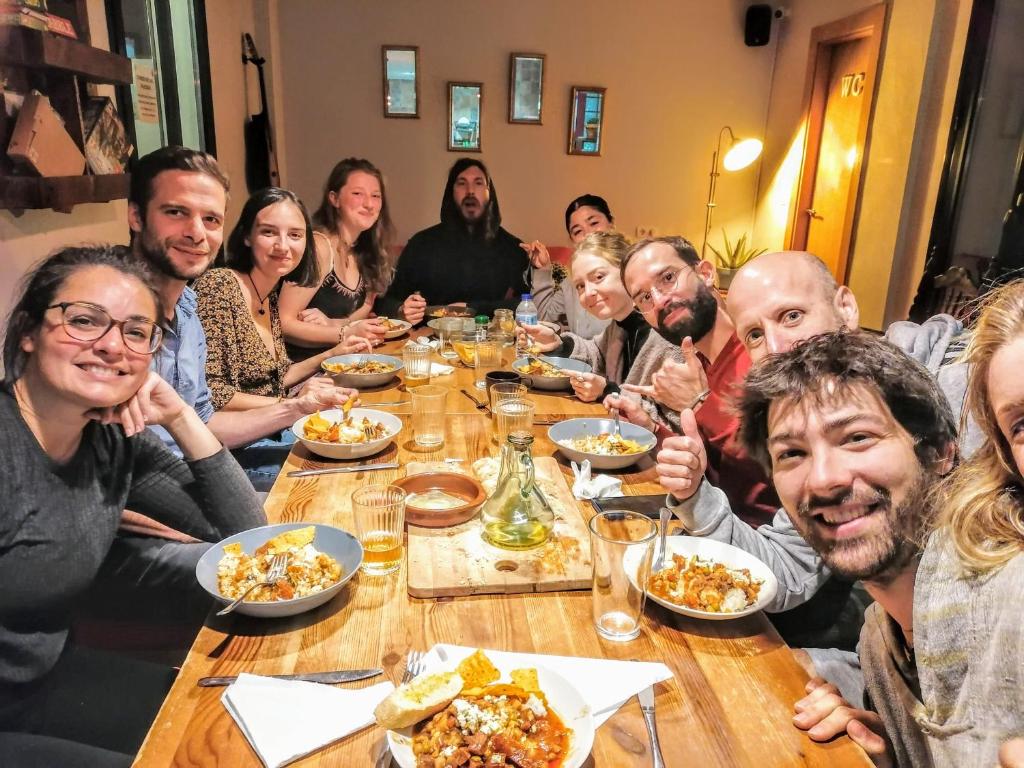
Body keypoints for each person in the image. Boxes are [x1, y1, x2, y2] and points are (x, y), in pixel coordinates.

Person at [0, 245, 265, 765]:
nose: (110, 346)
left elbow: (247, 535)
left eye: (136, 331)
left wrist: (180, 415)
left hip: (50, 681)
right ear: (29, 332)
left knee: (232, 733)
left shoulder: (110, 439)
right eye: (84, 320)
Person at [658, 331, 959, 767]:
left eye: (857, 437)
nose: (823, 479)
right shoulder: (880, 637)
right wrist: (897, 748)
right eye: (792, 453)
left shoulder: (1003, 609)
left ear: (938, 453)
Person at [193, 187, 369, 489]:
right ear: (247, 236)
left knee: (362, 439)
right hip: (233, 451)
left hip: (270, 430)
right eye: (269, 232)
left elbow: (276, 376)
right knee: (350, 473)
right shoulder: (220, 287)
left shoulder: (268, 293)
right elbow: (212, 395)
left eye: (295, 235)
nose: (283, 245)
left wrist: (330, 354)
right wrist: (292, 403)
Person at [725, 250, 977, 454]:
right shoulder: (807, 416)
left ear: (845, 308)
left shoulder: (960, 381)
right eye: (755, 335)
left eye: (792, 316)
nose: (776, 348)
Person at [617, 235, 778, 526]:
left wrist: (698, 401)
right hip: (711, 525)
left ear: (705, 273)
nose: (660, 299)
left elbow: (777, 465)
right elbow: (710, 466)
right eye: (644, 297)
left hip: (770, 546)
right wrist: (651, 429)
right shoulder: (698, 363)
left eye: (667, 278)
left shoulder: (765, 352)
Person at [518, 231, 682, 426]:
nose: (588, 293)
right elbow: (595, 353)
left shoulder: (666, 334)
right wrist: (558, 343)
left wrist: (608, 390)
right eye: (580, 286)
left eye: (598, 277)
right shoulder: (619, 325)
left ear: (626, 270)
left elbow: (673, 422)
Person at [378, 158, 530, 320]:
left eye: (478, 183)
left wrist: (475, 309)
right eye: (461, 183)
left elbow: (528, 304)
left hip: (494, 341)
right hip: (431, 341)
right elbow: (385, 302)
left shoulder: (512, 248)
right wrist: (401, 309)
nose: (470, 191)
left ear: (489, 192)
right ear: (451, 192)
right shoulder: (422, 244)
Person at [280, 158, 395, 361]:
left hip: (344, 363)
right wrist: (344, 333)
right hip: (304, 371)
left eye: (376, 196)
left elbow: (366, 306)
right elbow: (283, 323)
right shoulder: (319, 247)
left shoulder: (364, 250)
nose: (369, 204)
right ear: (334, 198)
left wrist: (335, 324)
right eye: (357, 194)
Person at [529, 194, 614, 338]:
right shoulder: (573, 279)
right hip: (583, 359)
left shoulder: (630, 270)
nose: (588, 234)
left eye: (594, 223)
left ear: (611, 224)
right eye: (578, 231)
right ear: (572, 240)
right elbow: (544, 319)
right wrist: (543, 269)